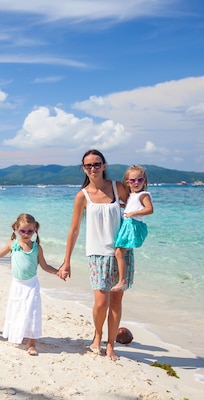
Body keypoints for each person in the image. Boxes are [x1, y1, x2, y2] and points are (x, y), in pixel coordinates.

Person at [58, 149, 132, 361]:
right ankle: (98, 335)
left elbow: (135, 208)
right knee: (101, 302)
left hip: (121, 252)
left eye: (97, 164)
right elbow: (73, 230)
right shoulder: (82, 196)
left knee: (116, 302)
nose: (93, 168)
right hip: (97, 254)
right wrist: (66, 261)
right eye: (88, 165)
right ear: (84, 168)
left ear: (104, 165)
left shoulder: (118, 188)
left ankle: (110, 345)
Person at [0, 213, 65, 356]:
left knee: (32, 312)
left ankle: (32, 343)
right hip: (17, 285)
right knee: (18, 311)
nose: (26, 234)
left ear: (35, 230)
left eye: (30, 231)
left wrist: (58, 272)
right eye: (22, 231)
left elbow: (44, 266)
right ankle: (19, 335)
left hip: (32, 285)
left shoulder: (37, 248)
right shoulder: (13, 245)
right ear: (16, 229)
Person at [110, 165, 153, 292]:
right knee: (119, 252)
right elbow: (129, 206)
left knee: (119, 252)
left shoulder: (143, 195)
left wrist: (133, 213)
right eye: (132, 180)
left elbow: (150, 209)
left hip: (133, 225)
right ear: (127, 182)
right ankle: (122, 278)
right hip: (128, 224)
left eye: (140, 180)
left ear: (144, 181)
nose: (136, 183)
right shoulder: (132, 195)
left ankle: (122, 281)